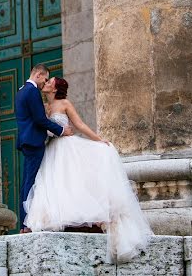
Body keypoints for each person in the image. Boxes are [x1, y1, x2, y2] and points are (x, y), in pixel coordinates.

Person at [23, 76, 153, 263]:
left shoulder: (64, 103)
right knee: (55, 184)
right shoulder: (44, 107)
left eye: (50, 81)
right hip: (51, 149)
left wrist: (98, 139)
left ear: (55, 88)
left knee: (72, 182)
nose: (47, 83)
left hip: (66, 148)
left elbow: (80, 124)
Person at [14, 64, 71, 232]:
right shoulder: (31, 91)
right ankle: (27, 224)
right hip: (34, 141)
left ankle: (25, 223)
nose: (44, 83)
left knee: (26, 182)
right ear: (38, 75)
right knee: (31, 182)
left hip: (27, 140)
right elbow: (40, 119)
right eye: (45, 79)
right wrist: (61, 130)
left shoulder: (21, 90)